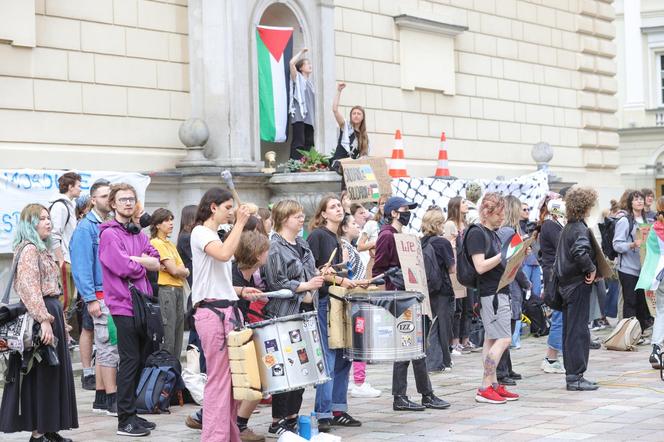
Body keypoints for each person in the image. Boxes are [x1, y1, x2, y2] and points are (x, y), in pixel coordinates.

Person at [0, 204, 78, 442]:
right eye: (42, 218)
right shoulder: (29, 250)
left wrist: (60, 323)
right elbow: (29, 289)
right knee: (42, 375)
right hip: (40, 315)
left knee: (53, 375)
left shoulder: (42, 249)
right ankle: (38, 433)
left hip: (50, 312)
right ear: (29, 223)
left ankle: (50, 427)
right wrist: (44, 320)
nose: (48, 222)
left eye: (48, 218)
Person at [190, 188, 262, 442]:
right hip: (212, 313)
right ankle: (214, 438)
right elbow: (223, 255)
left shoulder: (215, 234)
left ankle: (229, 436)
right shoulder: (200, 232)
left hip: (226, 308)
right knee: (219, 381)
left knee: (233, 383)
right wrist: (240, 223)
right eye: (227, 207)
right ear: (213, 207)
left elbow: (213, 277)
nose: (231, 212)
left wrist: (240, 290)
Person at [373, 196, 450, 412]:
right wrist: (393, 282)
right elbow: (378, 270)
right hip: (399, 297)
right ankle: (405, 396)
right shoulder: (387, 235)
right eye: (404, 209)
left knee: (414, 347)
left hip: (409, 295)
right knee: (407, 347)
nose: (408, 212)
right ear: (394, 213)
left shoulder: (400, 235)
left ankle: (423, 394)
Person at [98, 184, 161, 437]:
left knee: (143, 358)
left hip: (143, 303)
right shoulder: (109, 234)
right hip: (123, 304)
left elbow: (156, 260)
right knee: (130, 360)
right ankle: (124, 419)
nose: (128, 203)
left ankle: (132, 412)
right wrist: (140, 263)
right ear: (113, 203)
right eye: (123, 199)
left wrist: (139, 261)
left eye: (131, 199)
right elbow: (122, 267)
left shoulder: (137, 233)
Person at [263, 200, 325, 436]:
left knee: (302, 367)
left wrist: (318, 277)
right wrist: (304, 286)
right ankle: (277, 419)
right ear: (283, 218)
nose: (301, 219)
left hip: (305, 313)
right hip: (284, 313)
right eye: (296, 216)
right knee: (286, 369)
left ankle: (292, 417)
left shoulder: (301, 243)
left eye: (301, 215)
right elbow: (275, 282)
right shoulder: (274, 246)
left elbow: (310, 272)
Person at [307, 195, 362, 431]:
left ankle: (339, 407)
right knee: (329, 356)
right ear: (323, 214)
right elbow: (314, 271)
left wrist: (347, 277)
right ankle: (323, 412)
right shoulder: (318, 236)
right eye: (333, 207)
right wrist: (338, 277)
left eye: (339, 206)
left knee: (343, 357)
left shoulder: (339, 240)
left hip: (339, 301)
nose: (338, 209)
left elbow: (340, 274)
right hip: (324, 302)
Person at [70, 179, 119, 416]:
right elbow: (81, 266)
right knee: (108, 345)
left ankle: (100, 398)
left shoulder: (108, 224)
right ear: (92, 199)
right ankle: (111, 399)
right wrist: (90, 298)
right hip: (99, 295)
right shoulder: (85, 228)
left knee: (104, 346)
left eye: (110, 196)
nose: (107, 200)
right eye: (103, 196)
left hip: (112, 293)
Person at [466, 192, 519, 404]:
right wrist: (504, 255)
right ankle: (485, 386)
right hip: (492, 293)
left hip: (496, 292)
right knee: (504, 338)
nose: (502, 217)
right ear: (486, 213)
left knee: (491, 339)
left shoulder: (491, 233)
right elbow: (480, 266)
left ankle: (492, 384)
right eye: (498, 213)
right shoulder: (478, 233)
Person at [556, 186, 599, 391]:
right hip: (576, 286)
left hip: (567, 286)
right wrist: (590, 269)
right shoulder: (579, 228)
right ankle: (575, 377)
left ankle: (573, 375)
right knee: (578, 332)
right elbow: (580, 251)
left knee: (570, 331)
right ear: (586, 205)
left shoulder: (569, 227)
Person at [50, 171, 90, 388]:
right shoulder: (60, 206)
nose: (80, 188)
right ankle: (61, 337)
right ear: (69, 186)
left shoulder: (68, 205)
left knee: (69, 300)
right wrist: (60, 260)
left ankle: (63, 337)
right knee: (64, 300)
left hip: (70, 258)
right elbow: (55, 234)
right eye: (78, 185)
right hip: (65, 260)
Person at [338, 213, 381, 398]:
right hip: (354, 297)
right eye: (353, 223)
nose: (358, 226)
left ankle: (353, 380)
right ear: (345, 227)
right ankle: (359, 381)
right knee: (358, 339)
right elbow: (347, 274)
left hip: (355, 295)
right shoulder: (343, 247)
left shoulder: (347, 246)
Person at [232, 230, 270, 442]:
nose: (268, 254)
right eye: (265, 251)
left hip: (240, 327)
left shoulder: (248, 276)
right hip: (230, 330)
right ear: (257, 255)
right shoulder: (233, 274)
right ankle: (239, 424)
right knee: (255, 379)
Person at [496, 196, 529, 385]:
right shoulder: (509, 232)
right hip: (510, 285)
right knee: (505, 329)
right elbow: (512, 263)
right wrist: (526, 283)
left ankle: (506, 368)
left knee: (506, 327)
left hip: (508, 283)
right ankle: (502, 372)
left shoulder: (505, 231)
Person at [150, 208, 189, 358]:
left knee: (178, 333)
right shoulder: (156, 242)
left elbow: (181, 268)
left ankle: (175, 370)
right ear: (158, 225)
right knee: (169, 334)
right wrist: (182, 271)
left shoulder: (170, 244)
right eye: (166, 220)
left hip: (177, 289)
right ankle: (167, 371)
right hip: (167, 289)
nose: (171, 223)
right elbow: (175, 270)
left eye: (171, 219)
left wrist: (181, 270)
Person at [420, 208, 456, 373]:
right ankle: (440, 361)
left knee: (430, 323)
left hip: (427, 288)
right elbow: (452, 269)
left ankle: (434, 359)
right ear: (438, 224)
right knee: (442, 325)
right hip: (442, 288)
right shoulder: (443, 243)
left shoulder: (420, 242)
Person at [613, 190, 652, 333]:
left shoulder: (648, 221)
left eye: (641, 199)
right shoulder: (625, 221)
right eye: (636, 199)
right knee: (630, 303)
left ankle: (639, 333)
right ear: (630, 203)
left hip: (644, 268)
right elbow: (616, 244)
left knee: (642, 304)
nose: (640, 201)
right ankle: (627, 335)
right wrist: (632, 244)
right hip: (628, 269)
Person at [445, 197, 477, 354]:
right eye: (463, 202)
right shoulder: (450, 224)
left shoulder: (467, 224)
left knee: (468, 306)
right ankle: (455, 340)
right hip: (456, 269)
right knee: (457, 307)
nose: (466, 205)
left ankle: (466, 339)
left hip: (467, 268)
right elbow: (448, 247)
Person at [538, 197, 566, 374]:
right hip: (554, 275)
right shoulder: (550, 225)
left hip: (555, 273)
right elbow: (562, 247)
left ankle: (555, 354)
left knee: (561, 315)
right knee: (559, 316)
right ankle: (551, 357)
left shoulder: (553, 224)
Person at [637, 196, 664, 369]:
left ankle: (656, 348)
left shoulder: (655, 228)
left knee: (661, 312)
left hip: (660, 274)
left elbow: (651, 255)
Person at [330, 82, 370, 171]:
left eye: (359, 114)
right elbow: (335, 110)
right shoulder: (345, 127)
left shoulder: (364, 136)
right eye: (354, 113)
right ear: (351, 116)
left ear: (363, 117)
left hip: (352, 167)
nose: (356, 115)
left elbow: (364, 156)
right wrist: (339, 91)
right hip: (339, 164)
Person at [289, 47, 315, 160]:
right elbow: (291, 63)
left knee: (309, 142)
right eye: (307, 63)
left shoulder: (310, 83)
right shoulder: (297, 78)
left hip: (309, 118)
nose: (310, 65)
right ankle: (294, 165)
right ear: (301, 67)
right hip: (299, 116)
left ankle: (306, 165)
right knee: (299, 141)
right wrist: (301, 52)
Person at [358, 195, 387, 278]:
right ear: (378, 206)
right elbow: (359, 246)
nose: (384, 206)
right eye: (382, 203)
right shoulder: (372, 224)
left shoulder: (397, 225)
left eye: (387, 203)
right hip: (375, 265)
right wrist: (376, 243)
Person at [520, 202, 542, 299]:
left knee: (536, 292)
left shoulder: (533, 225)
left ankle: (534, 311)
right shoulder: (515, 227)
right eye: (524, 209)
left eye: (528, 209)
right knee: (524, 291)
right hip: (524, 262)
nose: (527, 211)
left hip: (535, 261)